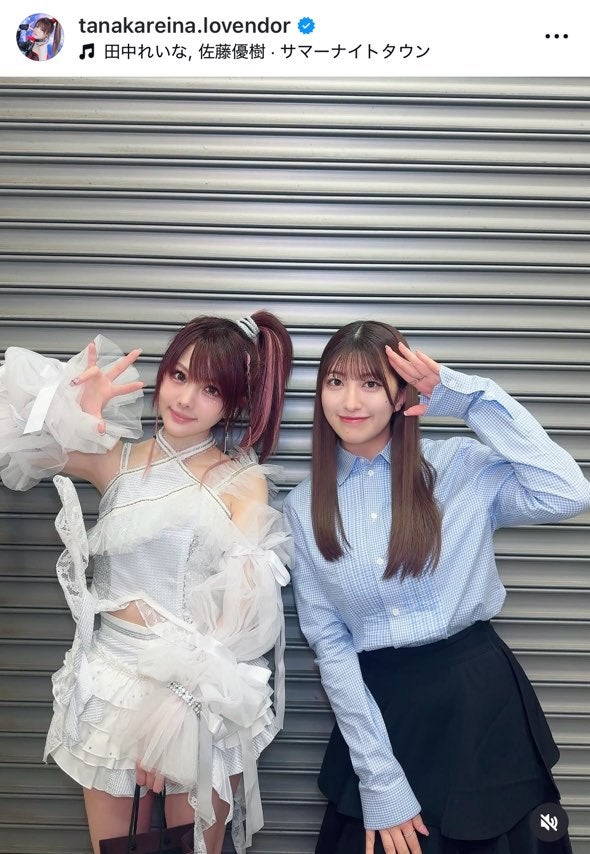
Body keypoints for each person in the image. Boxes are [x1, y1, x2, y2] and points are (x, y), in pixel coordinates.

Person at [283, 320, 590, 854]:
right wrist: (380, 778)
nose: (350, 401)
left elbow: (567, 492)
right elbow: (329, 643)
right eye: (335, 381)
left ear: (400, 392)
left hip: (480, 708)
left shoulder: (460, 466)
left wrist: (468, 399)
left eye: (371, 383)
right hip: (381, 715)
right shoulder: (303, 506)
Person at [0, 312, 293, 854]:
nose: (186, 399)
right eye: (179, 376)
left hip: (198, 697)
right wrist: (68, 407)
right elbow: (14, 443)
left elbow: (243, 623)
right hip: (110, 682)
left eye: (211, 389)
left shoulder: (242, 481)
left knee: (194, 848)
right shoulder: (116, 458)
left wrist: (172, 718)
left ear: (233, 403)